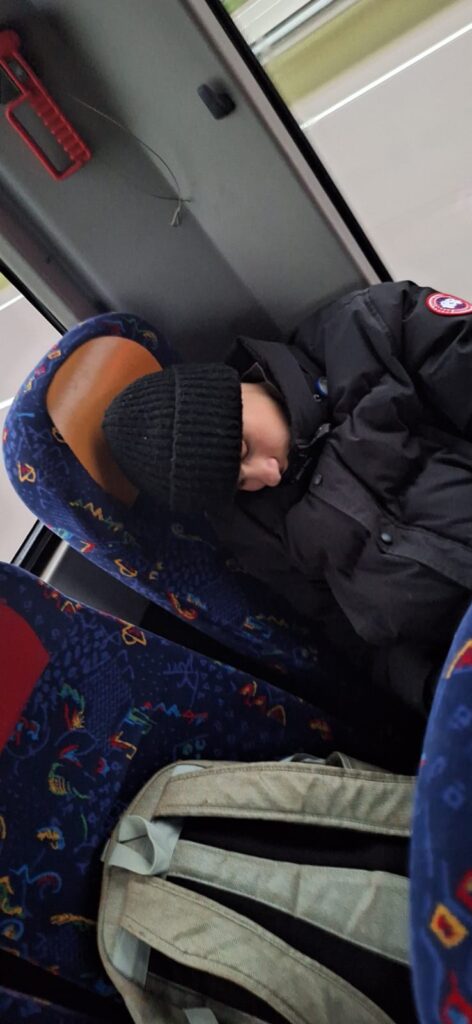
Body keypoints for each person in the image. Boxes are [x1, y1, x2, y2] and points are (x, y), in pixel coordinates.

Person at [103, 281, 472, 714]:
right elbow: (357, 641)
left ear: (235, 393)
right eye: (240, 484)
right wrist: (434, 690)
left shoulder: (369, 329)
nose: (269, 474)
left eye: (243, 449)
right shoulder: (249, 530)